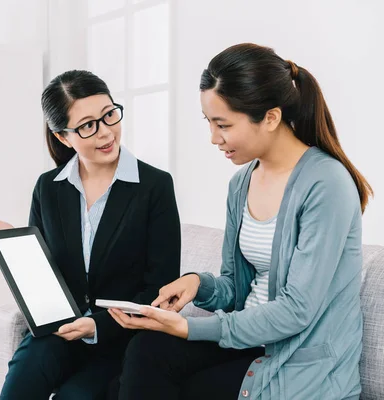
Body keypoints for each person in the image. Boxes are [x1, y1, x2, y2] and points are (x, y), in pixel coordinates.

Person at [108, 43, 372, 400]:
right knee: (144, 351)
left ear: (271, 118)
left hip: (298, 363)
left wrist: (188, 327)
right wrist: (195, 284)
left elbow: (297, 310)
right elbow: (236, 286)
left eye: (223, 125)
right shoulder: (241, 183)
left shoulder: (327, 184)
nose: (214, 139)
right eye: (210, 123)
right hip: (249, 341)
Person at [0, 70, 181, 400]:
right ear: (64, 137)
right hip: (59, 332)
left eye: (109, 115)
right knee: (18, 386)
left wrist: (99, 325)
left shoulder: (154, 186)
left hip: (121, 337)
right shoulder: (48, 188)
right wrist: (19, 243)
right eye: (88, 126)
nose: (106, 132)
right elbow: (44, 279)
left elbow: (161, 287)